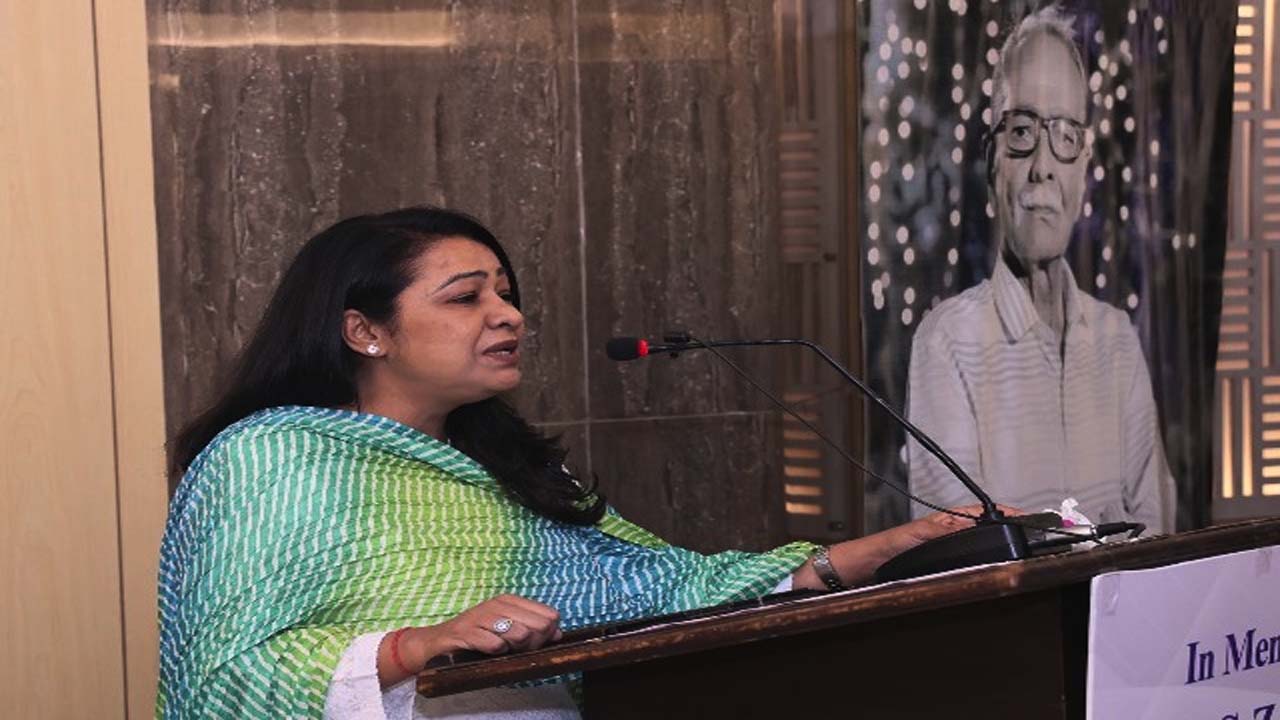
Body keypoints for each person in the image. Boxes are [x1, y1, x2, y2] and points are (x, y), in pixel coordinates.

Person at [158, 206, 983, 719]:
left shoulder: (505, 467)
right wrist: (413, 647)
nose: (507, 315)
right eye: (466, 297)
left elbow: (660, 591)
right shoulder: (266, 460)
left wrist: (848, 563)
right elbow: (220, 681)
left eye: (506, 293)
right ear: (364, 330)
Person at [906, 6, 1174, 533]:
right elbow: (957, 543)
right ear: (992, 162)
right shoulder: (947, 341)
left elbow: (1157, 527)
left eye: (1066, 135)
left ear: (1084, 173)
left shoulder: (1117, 338)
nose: (1044, 167)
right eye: (1023, 131)